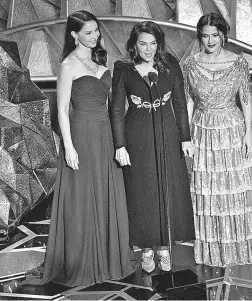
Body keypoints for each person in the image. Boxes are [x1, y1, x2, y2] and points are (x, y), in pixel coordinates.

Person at [31, 10, 134, 287]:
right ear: (74, 35)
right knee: (82, 198)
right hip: (80, 136)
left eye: (96, 31)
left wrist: (119, 141)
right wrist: (69, 147)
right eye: (88, 32)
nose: (95, 36)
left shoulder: (101, 61)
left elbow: (113, 107)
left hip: (104, 135)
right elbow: (63, 110)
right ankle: (82, 260)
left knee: (104, 193)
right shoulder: (68, 65)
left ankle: (109, 257)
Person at [110, 21, 195, 273]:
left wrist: (185, 137)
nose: (148, 49)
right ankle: (146, 248)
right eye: (143, 44)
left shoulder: (169, 64)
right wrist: (120, 144)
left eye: (153, 43)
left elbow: (180, 103)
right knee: (143, 190)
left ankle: (165, 247)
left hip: (167, 131)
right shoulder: (123, 67)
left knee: (167, 187)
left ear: (159, 44)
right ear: (134, 45)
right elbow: (115, 109)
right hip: (136, 133)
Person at [183, 13, 252, 266]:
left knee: (232, 188)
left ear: (223, 35)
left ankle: (238, 248)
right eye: (205, 35)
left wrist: (248, 133)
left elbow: (246, 98)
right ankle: (210, 250)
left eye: (214, 35)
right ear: (200, 37)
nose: (210, 40)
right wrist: (186, 136)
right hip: (203, 132)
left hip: (232, 129)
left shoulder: (239, 63)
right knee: (208, 190)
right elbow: (188, 100)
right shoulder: (191, 65)